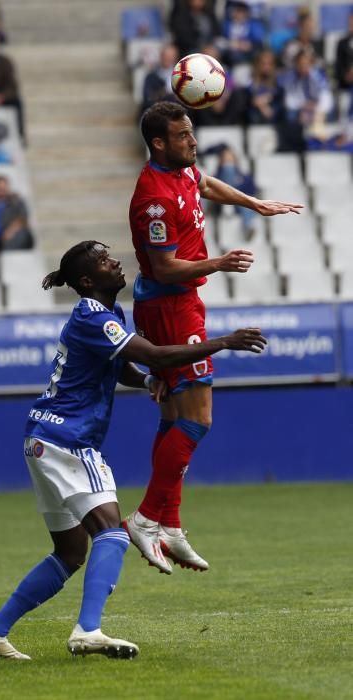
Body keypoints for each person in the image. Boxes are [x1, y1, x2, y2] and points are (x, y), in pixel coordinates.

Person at [0, 239, 267, 660]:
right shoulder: (93, 315)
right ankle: (88, 631)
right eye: (106, 261)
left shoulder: (109, 314)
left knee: (70, 553)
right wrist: (222, 342)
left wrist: (147, 382)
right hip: (66, 439)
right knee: (112, 532)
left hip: (42, 438)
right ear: (89, 279)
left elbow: (121, 363)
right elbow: (156, 353)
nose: (117, 262)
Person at [125, 101, 302, 573]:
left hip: (177, 302)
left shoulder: (181, 171)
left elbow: (203, 182)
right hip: (170, 305)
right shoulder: (154, 198)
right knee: (198, 418)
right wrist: (219, 262)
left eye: (192, 133)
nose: (193, 142)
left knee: (174, 413)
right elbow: (163, 266)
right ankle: (145, 519)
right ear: (159, 142)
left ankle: (172, 524)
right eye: (183, 136)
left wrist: (253, 203)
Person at [246, 49, 285, 125]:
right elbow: (250, 97)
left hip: (273, 114)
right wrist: (262, 105)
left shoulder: (278, 82)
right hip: (255, 114)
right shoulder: (251, 81)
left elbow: (277, 96)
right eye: (263, 64)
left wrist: (268, 98)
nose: (266, 67)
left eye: (269, 64)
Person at [140, 43, 179, 115]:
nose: (167, 59)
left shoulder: (180, 77)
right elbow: (148, 99)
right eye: (165, 56)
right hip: (157, 115)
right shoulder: (151, 77)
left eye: (170, 57)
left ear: (175, 58)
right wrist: (165, 92)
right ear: (161, 57)